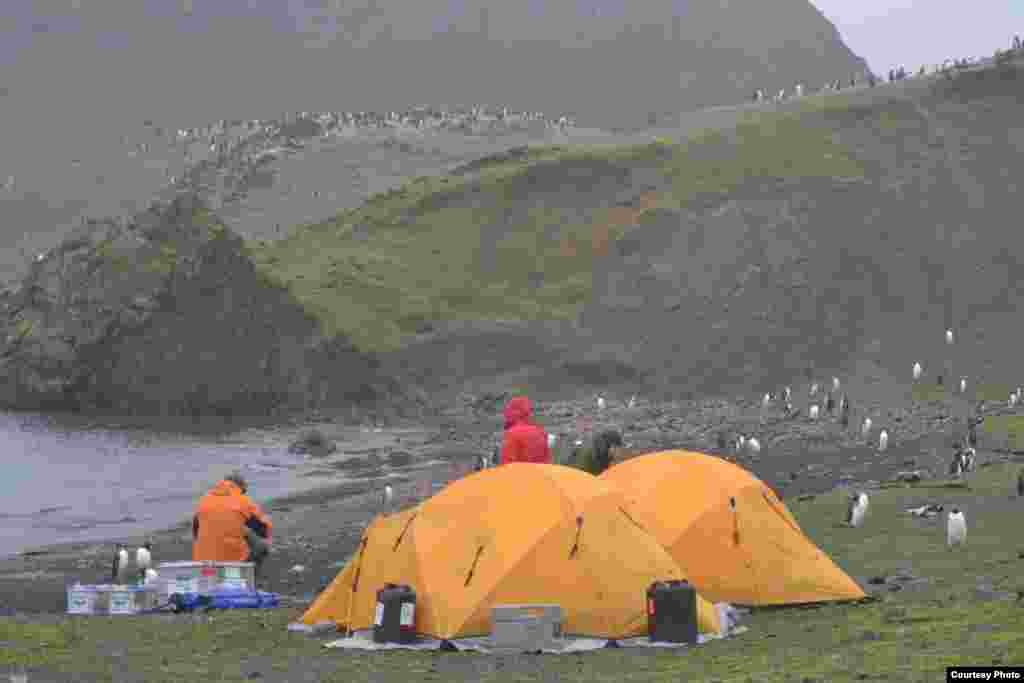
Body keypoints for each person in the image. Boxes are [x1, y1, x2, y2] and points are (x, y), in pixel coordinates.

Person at [192, 472, 272, 580]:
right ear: (240, 488)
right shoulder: (243, 501)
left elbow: (196, 532)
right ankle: (248, 581)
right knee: (262, 547)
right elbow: (264, 530)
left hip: (203, 562)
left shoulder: (204, 500)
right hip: (232, 561)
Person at [499, 396, 551, 465]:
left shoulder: (512, 434)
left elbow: (507, 464)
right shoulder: (541, 432)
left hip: (520, 474)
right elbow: (546, 460)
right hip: (540, 474)